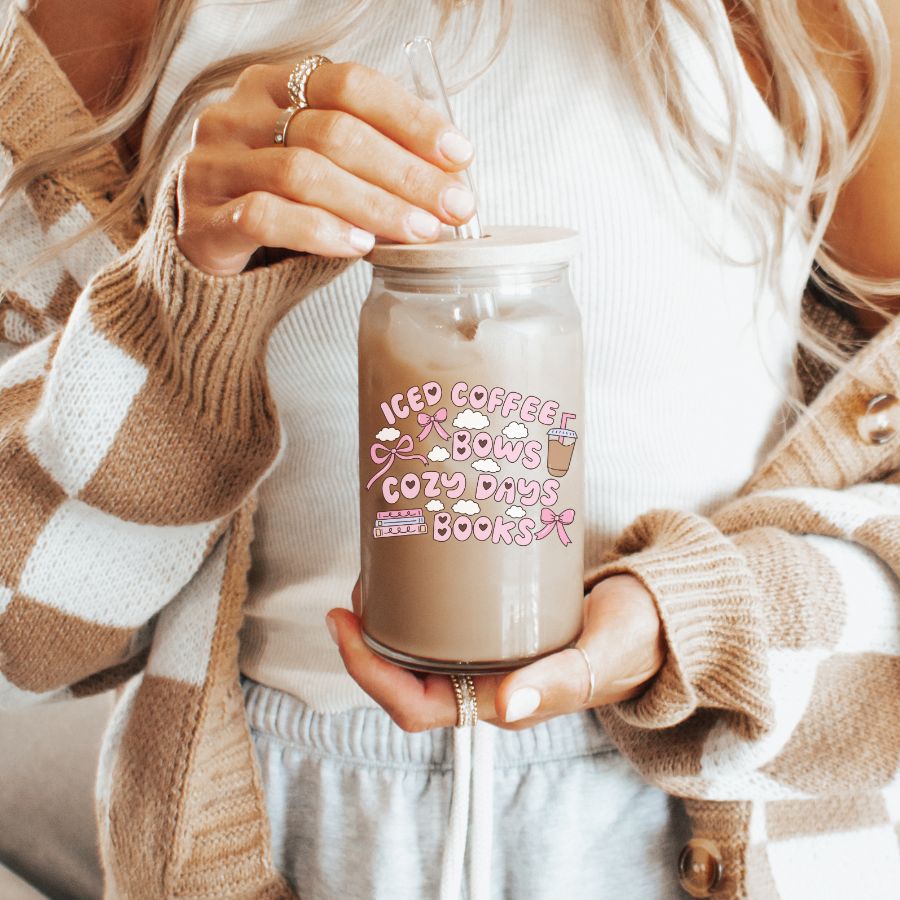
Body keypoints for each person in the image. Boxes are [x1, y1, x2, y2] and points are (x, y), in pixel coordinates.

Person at [0, 0, 897, 898]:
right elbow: (23, 636)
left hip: (700, 824)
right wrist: (176, 310)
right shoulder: (118, 19)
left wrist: (703, 621)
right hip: (284, 834)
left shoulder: (810, 25)